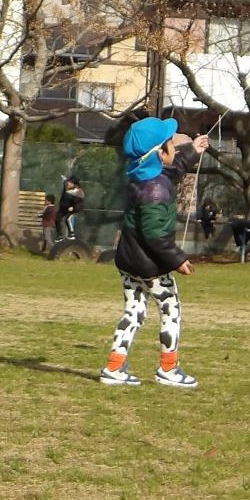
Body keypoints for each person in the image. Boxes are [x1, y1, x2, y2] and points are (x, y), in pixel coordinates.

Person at [101, 118, 206, 389]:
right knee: (171, 309)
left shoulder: (140, 175)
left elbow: (173, 169)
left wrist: (193, 150)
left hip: (128, 259)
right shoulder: (155, 190)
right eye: (171, 143)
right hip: (150, 265)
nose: (175, 146)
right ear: (160, 153)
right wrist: (178, 259)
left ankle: (114, 366)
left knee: (134, 310)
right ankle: (168, 369)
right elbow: (155, 236)